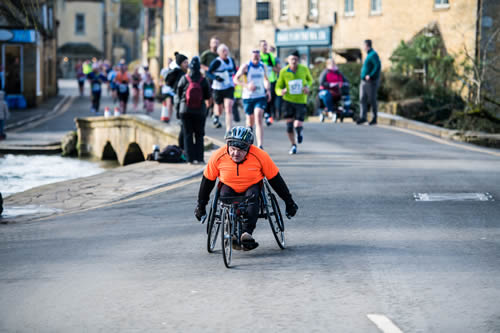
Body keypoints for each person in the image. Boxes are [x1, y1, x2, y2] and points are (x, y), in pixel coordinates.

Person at [194, 126, 298, 251]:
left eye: (241, 150)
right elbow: (207, 182)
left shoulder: (260, 156)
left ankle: (246, 233)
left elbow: (276, 181)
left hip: (251, 186)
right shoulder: (218, 156)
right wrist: (201, 206)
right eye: (232, 149)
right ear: (227, 145)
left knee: (253, 197)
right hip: (228, 186)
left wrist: (289, 202)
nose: (236, 153)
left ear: (249, 148)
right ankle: (230, 230)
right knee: (224, 196)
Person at [275, 50, 313, 155]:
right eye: (292, 59)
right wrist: (281, 92)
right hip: (288, 101)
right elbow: (278, 87)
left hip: (301, 100)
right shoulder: (283, 71)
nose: (294, 61)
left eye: (296, 59)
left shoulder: (304, 69)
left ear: (298, 60)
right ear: (288, 60)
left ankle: (299, 132)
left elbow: (310, 80)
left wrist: (307, 87)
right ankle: (293, 145)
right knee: (289, 126)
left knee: (297, 124)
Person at [175, 57, 211, 163]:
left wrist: (178, 111)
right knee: (199, 135)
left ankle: (190, 159)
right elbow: (207, 95)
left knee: (187, 134)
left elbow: (178, 95)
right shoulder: (203, 80)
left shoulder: (184, 78)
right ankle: (199, 158)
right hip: (200, 111)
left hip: (185, 110)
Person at [233, 49, 271, 149]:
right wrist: (247, 85)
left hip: (260, 96)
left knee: (258, 117)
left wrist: (268, 90)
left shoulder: (263, 66)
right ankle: (248, 141)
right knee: (250, 121)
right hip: (248, 97)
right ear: (251, 57)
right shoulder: (246, 66)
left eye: (258, 57)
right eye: (254, 57)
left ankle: (260, 145)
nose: (256, 59)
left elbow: (266, 79)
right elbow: (235, 79)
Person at [206, 44, 237, 130]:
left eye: (226, 50)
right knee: (219, 109)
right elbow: (208, 73)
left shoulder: (231, 60)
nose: (225, 52)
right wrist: (215, 77)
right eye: (223, 51)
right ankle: (216, 116)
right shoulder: (217, 62)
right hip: (218, 88)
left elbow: (235, 71)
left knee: (228, 107)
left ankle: (229, 130)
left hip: (229, 87)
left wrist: (234, 76)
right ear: (219, 53)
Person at [357, 39, 381, 125]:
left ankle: (374, 118)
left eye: (364, 46)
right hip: (363, 81)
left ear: (367, 46)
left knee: (372, 100)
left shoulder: (373, 54)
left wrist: (370, 75)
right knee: (362, 99)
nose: (363, 47)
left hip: (370, 82)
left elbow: (377, 66)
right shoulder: (368, 55)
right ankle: (363, 117)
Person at [164, 52, 189, 123]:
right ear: (180, 64)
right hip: (179, 95)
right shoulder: (177, 72)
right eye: (185, 62)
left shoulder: (186, 72)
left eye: (187, 62)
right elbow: (167, 81)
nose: (187, 64)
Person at [260, 40, 279, 125]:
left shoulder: (270, 55)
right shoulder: (258, 56)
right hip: (261, 81)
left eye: (265, 45)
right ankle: (265, 114)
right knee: (263, 98)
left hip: (271, 80)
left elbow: (275, 67)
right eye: (263, 45)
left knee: (270, 98)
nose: (264, 47)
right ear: (260, 46)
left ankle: (269, 116)